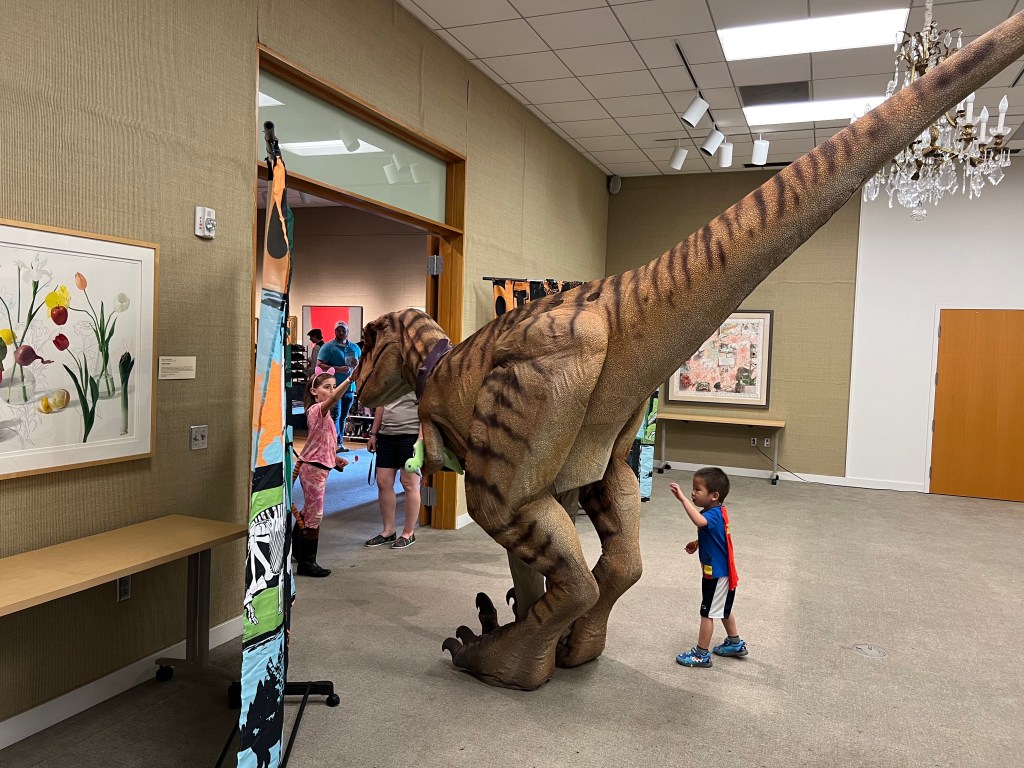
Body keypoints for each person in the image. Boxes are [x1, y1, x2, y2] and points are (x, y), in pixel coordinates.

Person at [670, 467, 748, 667]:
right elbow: (714, 536)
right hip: (721, 573)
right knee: (722, 608)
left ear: (714, 496)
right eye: (692, 489)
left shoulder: (711, 515)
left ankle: (701, 654)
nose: (693, 493)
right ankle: (735, 643)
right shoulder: (717, 512)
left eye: (697, 489)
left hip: (717, 575)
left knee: (707, 613)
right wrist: (697, 543)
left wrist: (682, 500)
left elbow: (699, 520)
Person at [292, 366, 353, 577]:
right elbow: (334, 400)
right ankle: (307, 562)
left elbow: (320, 443)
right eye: (326, 387)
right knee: (315, 514)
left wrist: (335, 458)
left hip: (319, 468)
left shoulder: (325, 418)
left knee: (309, 510)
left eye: (333, 387)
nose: (331, 391)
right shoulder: (316, 410)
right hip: (312, 470)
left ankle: (298, 550)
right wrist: (349, 380)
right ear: (314, 391)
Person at [364, 391, 421, 550]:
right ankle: (388, 531)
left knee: (409, 484)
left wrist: (421, 440)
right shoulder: (389, 377)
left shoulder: (419, 375)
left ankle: (409, 532)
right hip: (386, 435)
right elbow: (381, 404)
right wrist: (374, 434)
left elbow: (426, 409)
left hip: (411, 435)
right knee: (383, 482)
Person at [317, 321, 360, 451]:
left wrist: (357, 363)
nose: (341, 333)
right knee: (335, 416)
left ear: (347, 332)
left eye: (343, 330)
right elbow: (319, 364)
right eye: (338, 330)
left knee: (343, 417)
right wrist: (337, 369)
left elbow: (362, 366)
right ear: (335, 331)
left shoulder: (355, 348)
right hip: (334, 388)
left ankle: (339, 443)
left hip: (350, 388)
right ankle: (333, 444)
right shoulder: (328, 346)